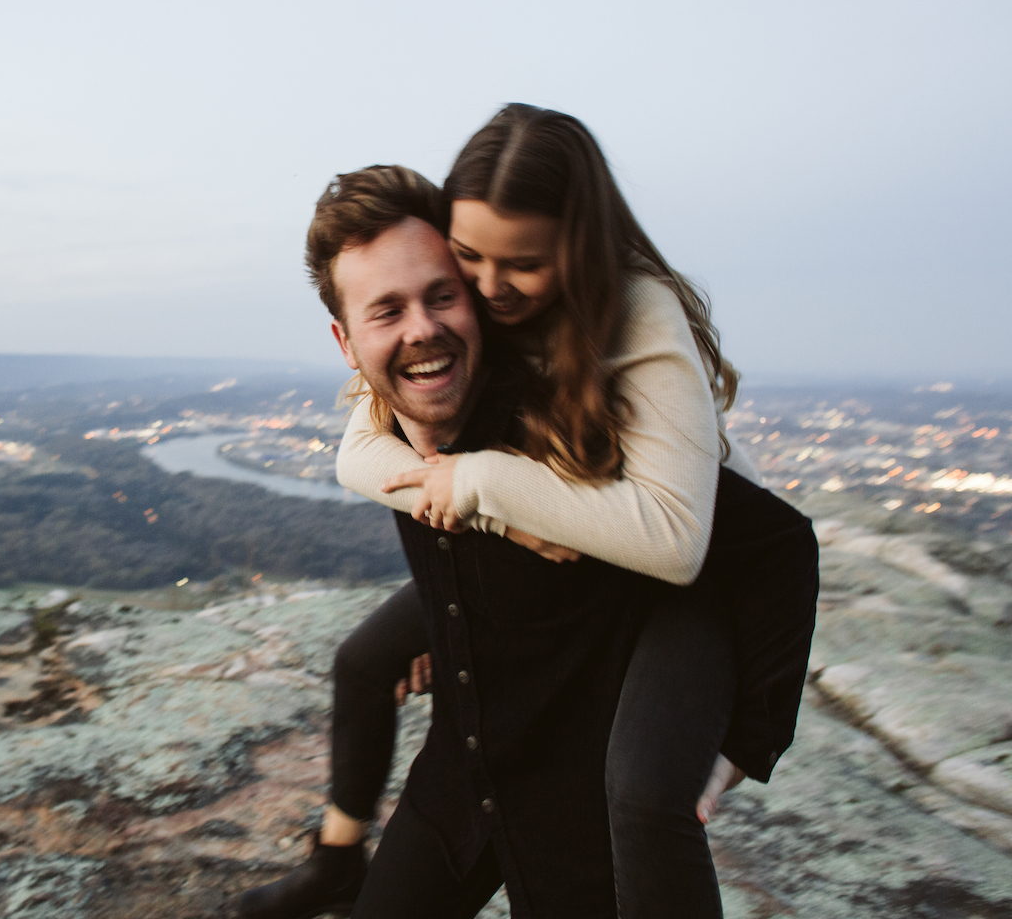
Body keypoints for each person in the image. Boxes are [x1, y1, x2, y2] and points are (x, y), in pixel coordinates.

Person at [239, 115, 817, 918]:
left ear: (575, 250)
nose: (485, 289)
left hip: (686, 565)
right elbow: (360, 453)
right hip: (475, 756)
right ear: (345, 339)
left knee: (645, 796)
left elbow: (714, 541)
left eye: (452, 288)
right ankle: (336, 859)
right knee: (367, 660)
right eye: (468, 262)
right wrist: (488, 528)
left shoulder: (623, 333)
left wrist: (747, 742)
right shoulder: (453, 358)